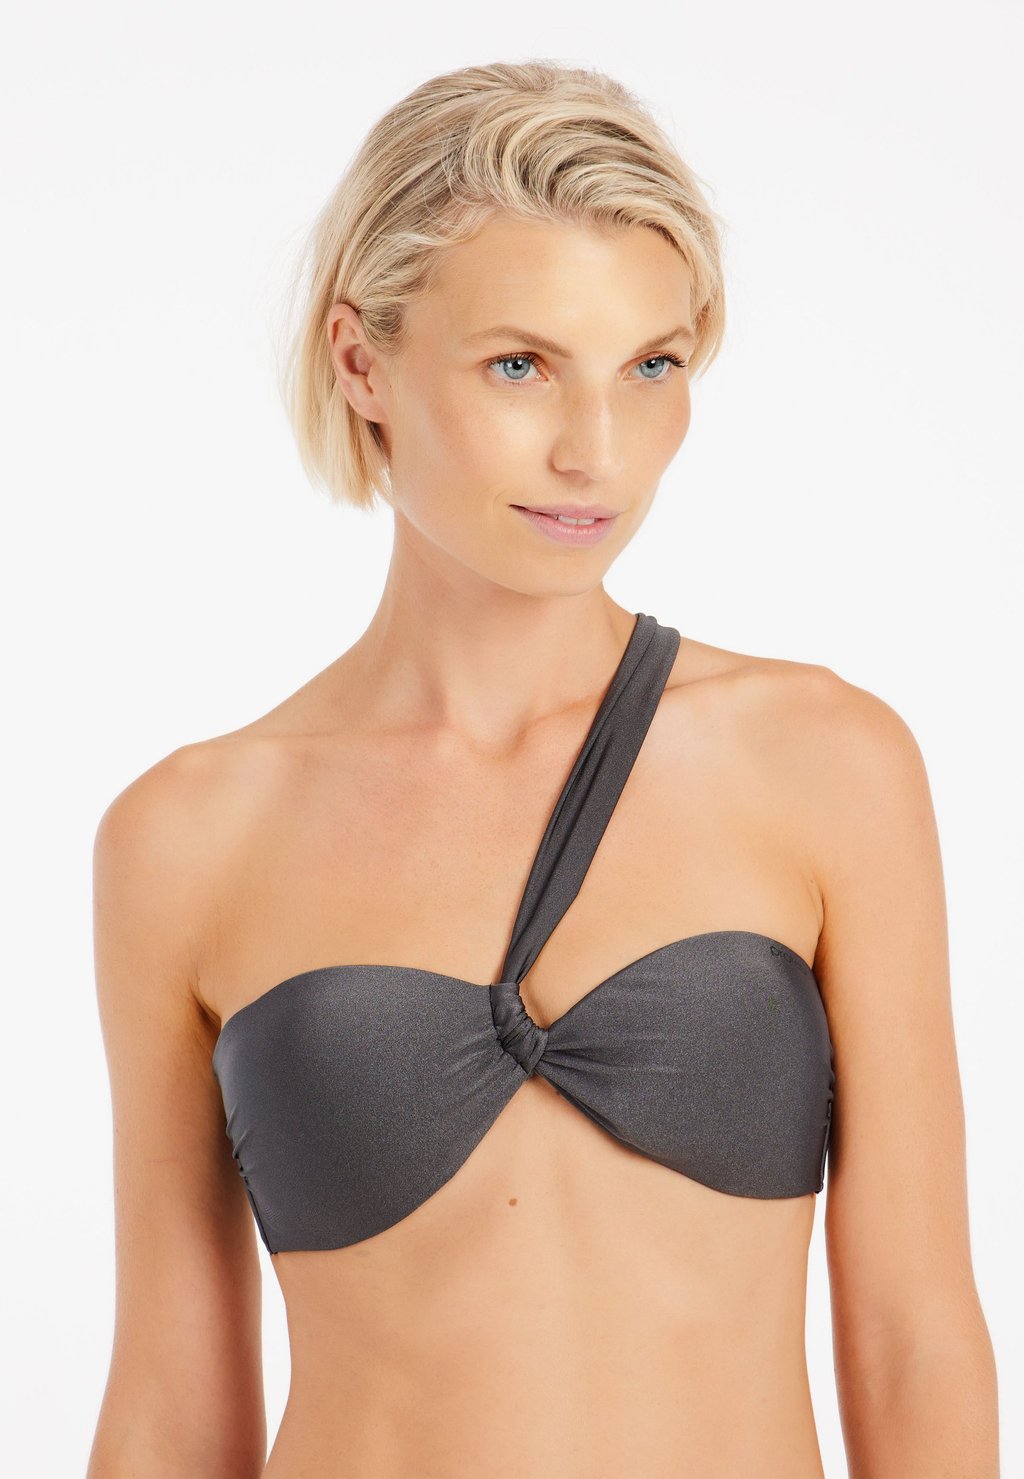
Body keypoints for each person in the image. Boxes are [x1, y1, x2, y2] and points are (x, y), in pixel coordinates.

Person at [86, 58, 998, 1479]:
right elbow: (169, 1406)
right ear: (360, 362)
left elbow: (913, 1339)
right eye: (520, 365)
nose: (596, 452)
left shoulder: (824, 764)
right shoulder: (189, 836)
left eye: (652, 367)